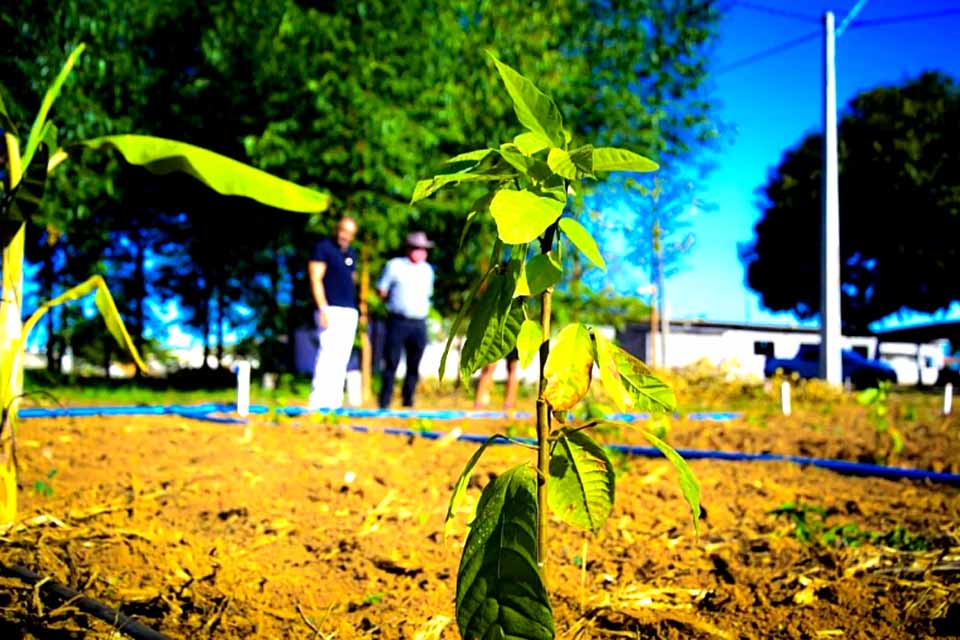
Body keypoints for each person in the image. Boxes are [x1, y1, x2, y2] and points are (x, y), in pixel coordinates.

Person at [377, 231, 435, 409]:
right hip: (397, 321)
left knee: (414, 364)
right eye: (417, 248)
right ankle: (384, 402)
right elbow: (382, 290)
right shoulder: (394, 266)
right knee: (391, 362)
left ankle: (408, 401)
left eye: (424, 249)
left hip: (419, 323)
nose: (421, 252)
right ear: (409, 249)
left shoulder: (428, 270)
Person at [307, 216, 359, 409]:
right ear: (337, 229)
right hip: (330, 309)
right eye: (344, 231)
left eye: (350, 234)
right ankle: (317, 402)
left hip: (349, 310)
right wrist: (322, 308)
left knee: (342, 357)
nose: (346, 236)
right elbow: (315, 278)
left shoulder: (351, 253)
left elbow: (351, 279)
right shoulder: (323, 248)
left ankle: (334, 403)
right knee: (328, 353)